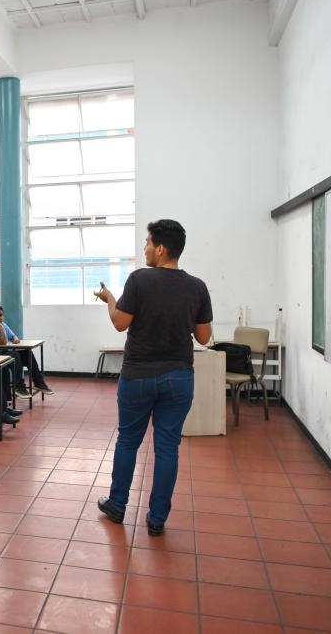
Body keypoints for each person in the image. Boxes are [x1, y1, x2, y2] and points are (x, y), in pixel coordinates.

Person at [93, 219, 212, 537]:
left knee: (128, 441)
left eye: (147, 242)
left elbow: (120, 323)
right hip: (179, 378)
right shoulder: (197, 287)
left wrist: (110, 300)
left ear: (160, 248)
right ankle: (157, 518)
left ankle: (117, 505)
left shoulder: (139, 280)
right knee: (168, 448)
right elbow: (204, 337)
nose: (144, 247)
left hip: (138, 376)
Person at [0, 305, 54, 398]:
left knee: (27, 353)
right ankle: (19, 387)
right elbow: (3, 342)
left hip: (2, 353)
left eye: (0, 315)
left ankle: (39, 383)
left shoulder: (3, 325)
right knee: (14, 355)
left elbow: (13, 336)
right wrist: (0, 326)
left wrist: (15, 338)